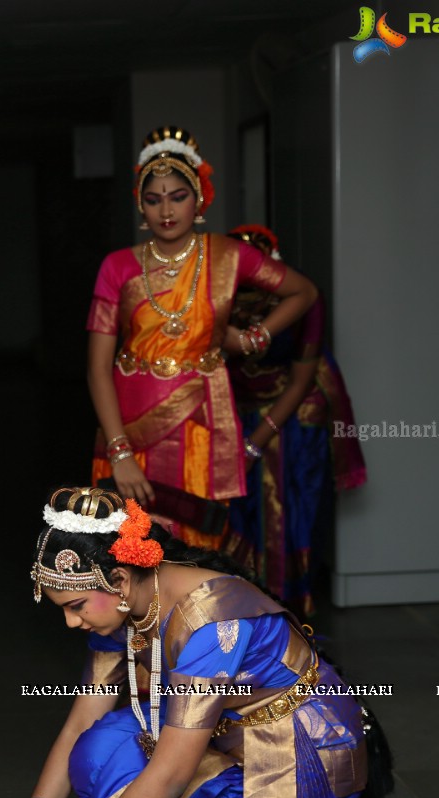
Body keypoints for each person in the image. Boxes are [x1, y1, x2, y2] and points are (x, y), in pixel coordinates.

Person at [29, 487, 368, 798]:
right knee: (97, 750)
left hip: (291, 750)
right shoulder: (124, 611)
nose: (71, 622)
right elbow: (79, 723)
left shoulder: (212, 622)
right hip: (218, 728)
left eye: (76, 606)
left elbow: (171, 774)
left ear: (119, 579)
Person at [86, 127, 318, 548]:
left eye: (178, 196)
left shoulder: (228, 257)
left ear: (199, 199)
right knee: (129, 549)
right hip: (128, 427)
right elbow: (97, 367)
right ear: (141, 204)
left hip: (201, 424)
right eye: (153, 200)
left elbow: (303, 292)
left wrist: (251, 339)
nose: (166, 211)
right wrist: (120, 454)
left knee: (197, 549)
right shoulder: (117, 266)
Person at [222, 224, 367, 618]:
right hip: (231, 408)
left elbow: (302, 381)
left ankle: (286, 610)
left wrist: (256, 442)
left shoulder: (302, 299)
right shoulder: (212, 300)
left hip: (294, 409)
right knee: (237, 507)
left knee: (291, 506)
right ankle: (237, 608)